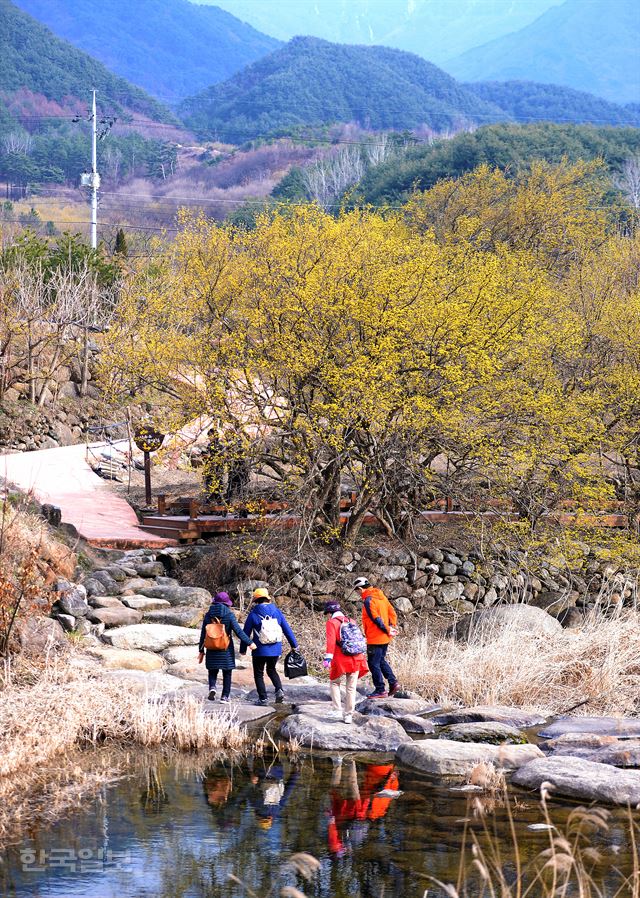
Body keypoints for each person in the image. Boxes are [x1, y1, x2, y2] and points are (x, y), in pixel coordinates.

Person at [241, 587, 298, 706]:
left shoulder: (253, 614)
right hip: (275, 648)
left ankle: (263, 699)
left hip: (259, 650)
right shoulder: (277, 612)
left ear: (256, 600)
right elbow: (287, 630)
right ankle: (279, 690)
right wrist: (294, 645)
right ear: (267, 599)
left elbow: (245, 632)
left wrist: (242, 649)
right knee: (272, 670)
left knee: (258, 673)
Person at [199, 591, 256, 702]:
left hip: (211, 648)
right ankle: (225, 697)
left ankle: (212, 687)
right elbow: (238, 631)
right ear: (226, 603)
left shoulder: (208, 615)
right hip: (226, 649)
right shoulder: (229, 615)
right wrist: (250, 642)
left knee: (212, 670)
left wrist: (201, 650)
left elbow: (203, 634)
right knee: (227, 673)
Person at [323, 600, 368, 724]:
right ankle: (348, 715)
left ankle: (337, 710)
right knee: (351, 687)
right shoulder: (351, 621)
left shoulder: (331, 623)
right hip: (357, 657)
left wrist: (328, 658)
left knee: (334, 683)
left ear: (329, 612)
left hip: (341, 658)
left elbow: (331, 642)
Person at [354, 576, 399, 699]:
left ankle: (380, 690)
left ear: (360, 589)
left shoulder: (368, 600)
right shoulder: (381, 596)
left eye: (357, 591)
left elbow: (375, 619)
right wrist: (391, 626)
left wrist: (387, 628)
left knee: (373, 663)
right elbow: (392, 612)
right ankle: (393, 682)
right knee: (381, 660)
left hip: (375, 637)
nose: (357, 594)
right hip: (385, 637)